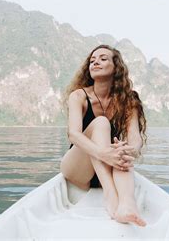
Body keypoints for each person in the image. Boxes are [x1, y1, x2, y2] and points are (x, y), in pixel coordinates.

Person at [60, 44, 148, 227]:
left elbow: (134, 136)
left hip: (109, 164)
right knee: (100, 123)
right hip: (78, 169)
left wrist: (131, 150)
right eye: (92, 61)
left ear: (116, 67)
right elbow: (73, 135)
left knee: (121, 148)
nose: (95, 63)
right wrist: (104, 154)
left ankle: (127, 205)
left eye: (102, 58)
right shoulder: (79, 96)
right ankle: (110, 194)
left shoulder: (129, 99)